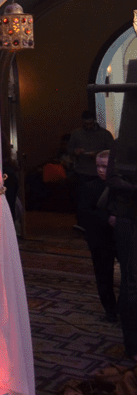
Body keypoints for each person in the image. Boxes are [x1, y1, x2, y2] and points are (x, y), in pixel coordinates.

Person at [80, 150, 118, 323]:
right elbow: (85, 213)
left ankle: (124, 308)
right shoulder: (90, 187)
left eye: (105, 166)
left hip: (120, 236)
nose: (101, 170)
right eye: (98, 166)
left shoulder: (121, 186)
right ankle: (110, 310)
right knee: (103, 276)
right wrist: (107, 218)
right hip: (99, 238)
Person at [107, 144, 137, 359]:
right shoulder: (122, 144)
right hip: (129, 218)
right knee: (131, 282)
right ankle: (133, 345)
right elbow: (113, 179)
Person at [68, 111, 115, 213]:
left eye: (90, 124)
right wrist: (75, 151)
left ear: (94, 121)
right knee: (83, 202)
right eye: (86, 124)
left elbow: (112, 152)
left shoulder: (105, 134)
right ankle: (83, 224)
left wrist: (98, 154)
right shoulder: (76, 133)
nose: (88, 126)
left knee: (100, 202)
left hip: (99, 173)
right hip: (82, 172)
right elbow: (69, 150)